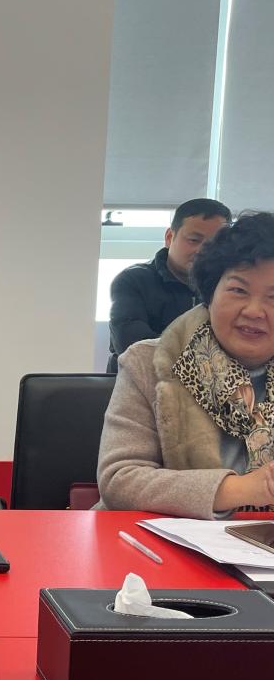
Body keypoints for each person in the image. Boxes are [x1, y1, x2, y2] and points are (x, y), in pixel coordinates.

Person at [98, 211, 274, 519]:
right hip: (161, 538)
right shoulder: (150, 362)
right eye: (238, 290)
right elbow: (120, 479)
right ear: (210, 294)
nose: (254, 311)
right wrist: (242, 489)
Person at [107, 198, 231, 371]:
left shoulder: (229, 287)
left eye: (214, 244)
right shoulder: (133, 281)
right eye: (194, 240)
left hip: (210, 385)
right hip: (139, 383)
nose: (203, 251)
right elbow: (136, 350)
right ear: (169, 237)